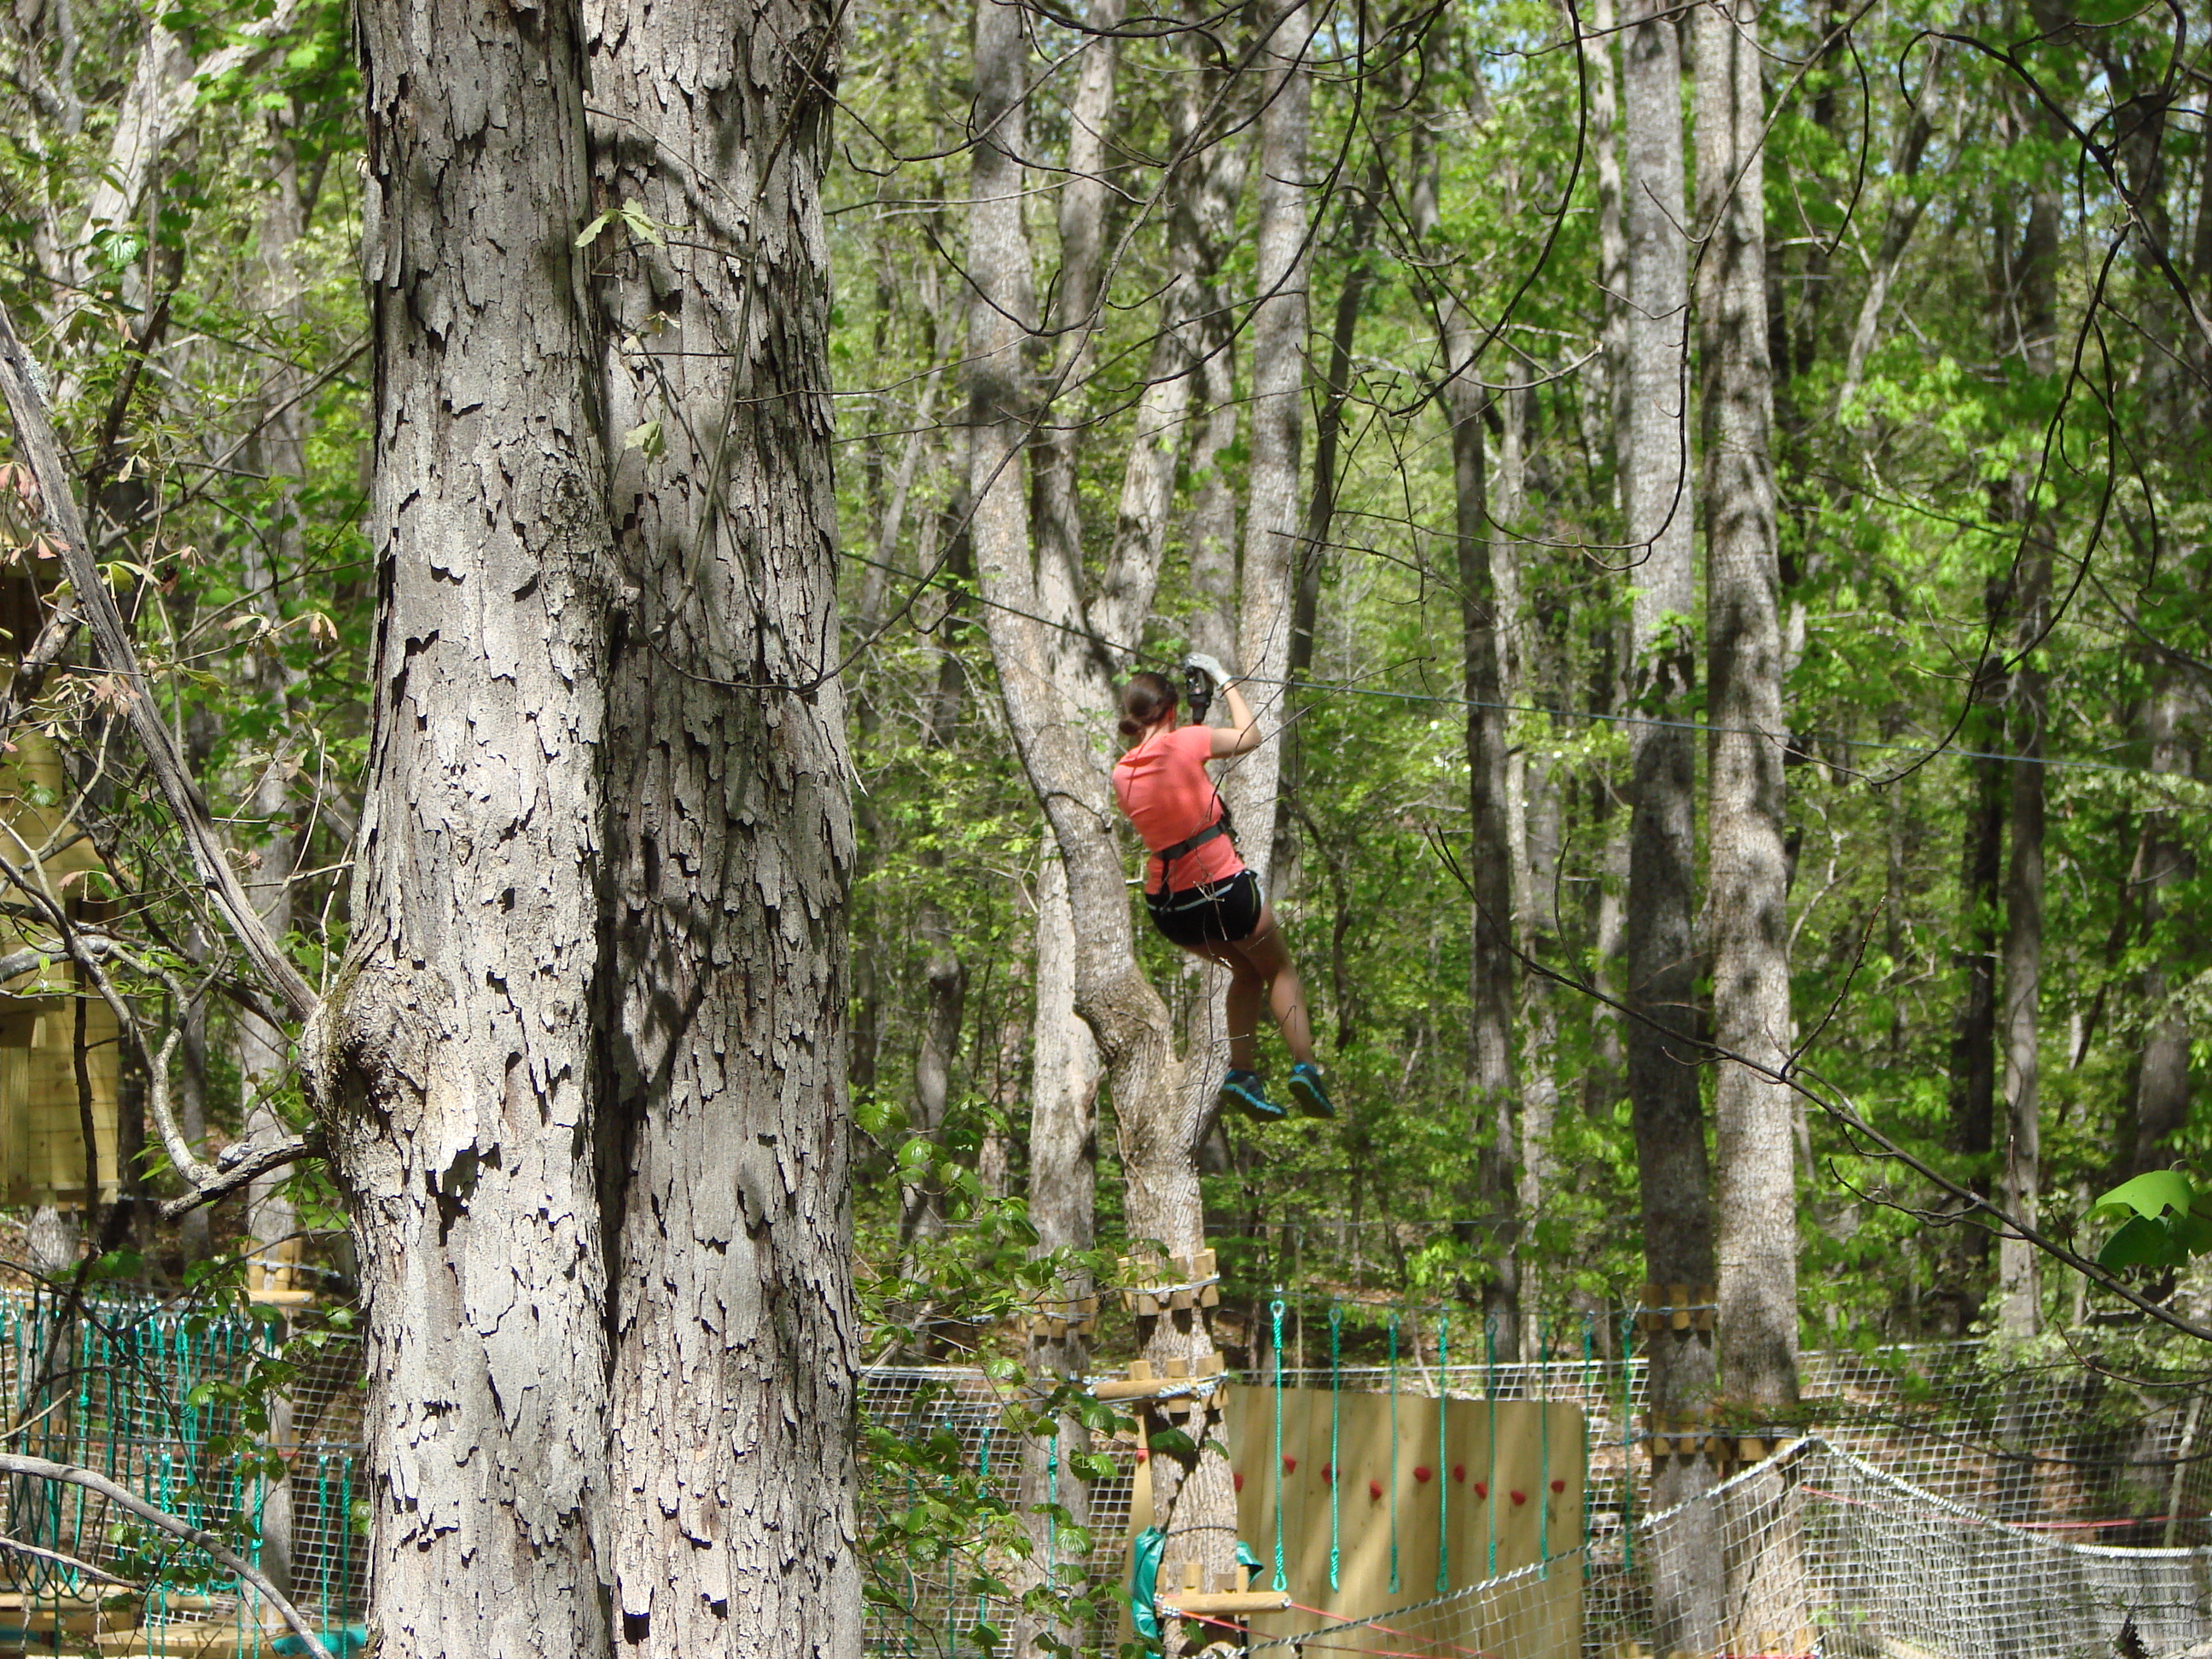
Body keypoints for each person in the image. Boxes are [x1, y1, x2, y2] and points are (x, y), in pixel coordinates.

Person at [1110, 655, 1335, 1122]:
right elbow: (1250, 736)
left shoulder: (1122, 774)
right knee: (1280, 969)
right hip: (1223, 891)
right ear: (1170, 711)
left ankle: (1242, 1073)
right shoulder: (1186, 742)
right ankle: (1306, 1067)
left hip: (1171, 908)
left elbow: (1173, 783)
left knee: (1245, 972)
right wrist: (1225, 679)